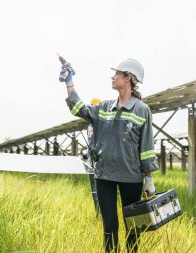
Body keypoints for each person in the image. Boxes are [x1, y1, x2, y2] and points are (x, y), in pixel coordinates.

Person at [60, 59, 158, 252]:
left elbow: (146, 148)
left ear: (128, 77)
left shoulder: (142, 110)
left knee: (133, 228)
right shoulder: (104, 107)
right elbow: (78, 109)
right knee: (109, 228)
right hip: (104, 176)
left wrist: (149, 179)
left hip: (131, 178)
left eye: (117, 74)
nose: (112, 77)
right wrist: (69, 82)